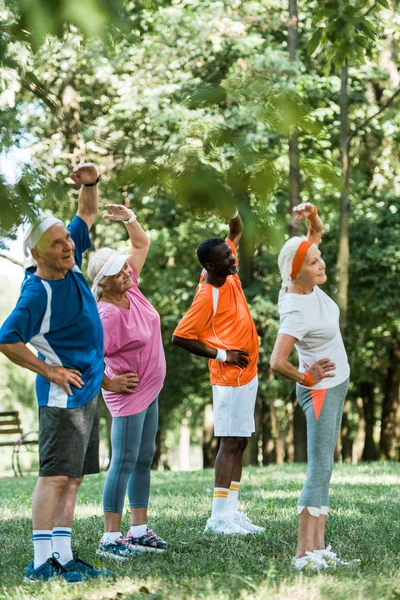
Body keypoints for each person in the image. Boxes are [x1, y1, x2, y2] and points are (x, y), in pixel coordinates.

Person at [0, 163, 113, 582]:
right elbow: (7, 338)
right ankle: (39, 561)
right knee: (54, 477)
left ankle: (63, 557)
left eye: (67, 240)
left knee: (74, 477)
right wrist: (49, 370)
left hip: (87, 391)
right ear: (36, 253)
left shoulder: (72, 261)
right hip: (62, 399)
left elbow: (85, 215)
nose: (68, 245)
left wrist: (89, 184)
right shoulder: (37, 293)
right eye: (58, 243)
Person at [270, 202, 353, 570]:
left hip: (337, 383)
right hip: (320, 391)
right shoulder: (296, 310)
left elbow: (314, 236)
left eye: (319, 259)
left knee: (326, 467)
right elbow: (276, 362)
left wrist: (312, 216)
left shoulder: (302, 279)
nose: (321, 264)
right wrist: (306, 377)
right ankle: (303, 554)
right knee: (319, 468)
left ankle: (319, 549)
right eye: (315, 263)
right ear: (296, 272)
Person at [172, 209, 263, 535]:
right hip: (229, 378)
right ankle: (218, 519)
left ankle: (231, 513)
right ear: (210, 265)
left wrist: (232, 212)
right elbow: (180, 337)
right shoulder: (206, 294)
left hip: (246, 374)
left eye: (230, 254)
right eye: (226, 257)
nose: (232, 258)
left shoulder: (229, 275)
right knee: (229, 443)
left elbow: (235, 231)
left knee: (239, 443)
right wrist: (223, 354)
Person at [87, 203, 169, 560]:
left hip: (151, 388)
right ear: (102, 282)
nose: (127, 272)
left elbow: (141, 245)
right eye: (118, 272)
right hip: (128, 393)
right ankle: (109, 537)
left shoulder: (130, 288)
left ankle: (138, 531)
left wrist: (129, 219)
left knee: (144, 457)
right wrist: (109, 384)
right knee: (122, 460)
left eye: (125, 269)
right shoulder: (105, 313)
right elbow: (88, 358)